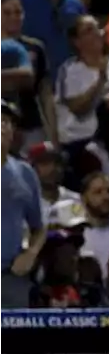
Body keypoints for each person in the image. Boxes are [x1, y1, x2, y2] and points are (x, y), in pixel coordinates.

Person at [0, 98, 43, 307]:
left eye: (5, 121)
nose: (1, 126)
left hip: (11, 276)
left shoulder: (25, 173)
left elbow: (39, 228)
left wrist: (31, 253)